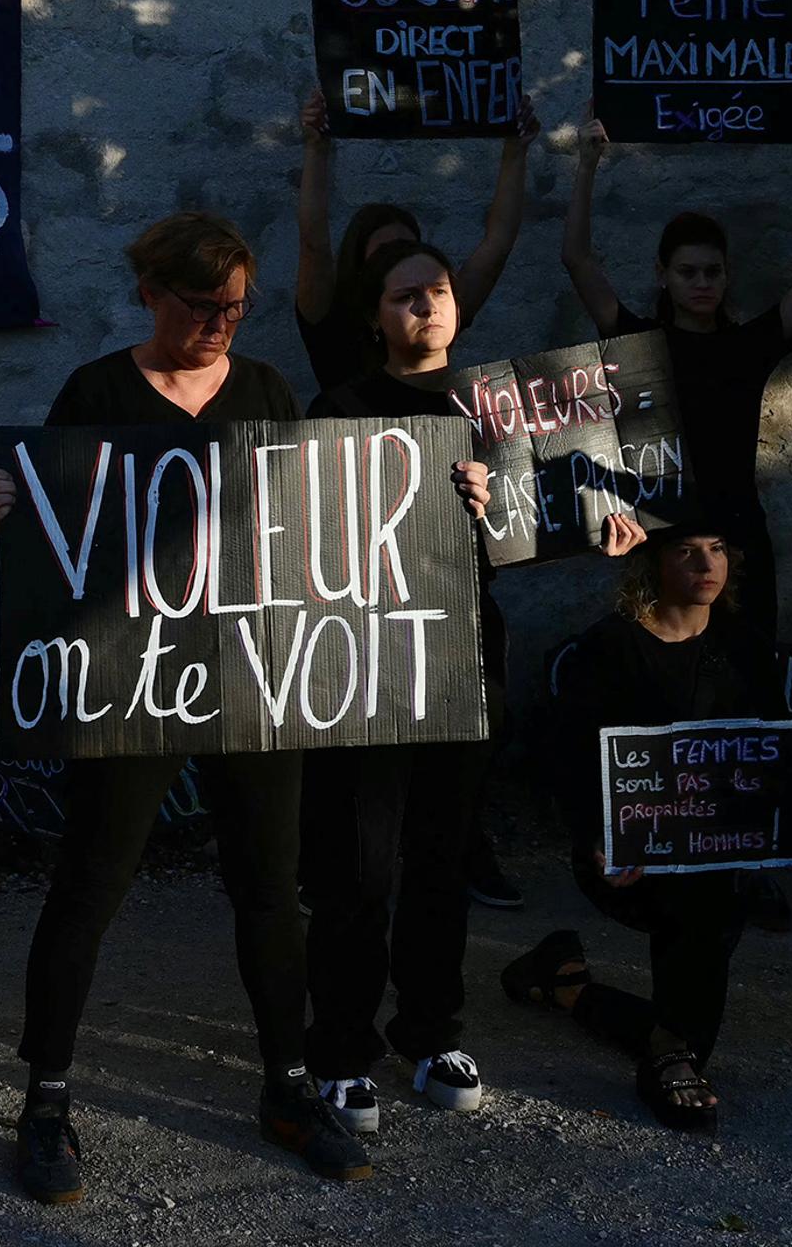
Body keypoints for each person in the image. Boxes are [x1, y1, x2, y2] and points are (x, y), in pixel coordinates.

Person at [0, 211, 369, 1200]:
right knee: (91, 884)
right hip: (132, 682)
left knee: (272, 886)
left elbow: (325, 521)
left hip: (250, 676)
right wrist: (6, 515)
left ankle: (288, 1085)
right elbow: (60, 541)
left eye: (235, 306)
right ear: (151, 293)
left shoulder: (269, 389)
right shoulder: (98, 392)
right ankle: (47, 1099)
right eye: (202, 307)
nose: (221, 324)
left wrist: (458, 497)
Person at [297, 237, 531, 1137]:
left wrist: (498, 507)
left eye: (436, 291)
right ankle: (342, 1051)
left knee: (442, 859)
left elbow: (536, 531)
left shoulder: (497, 412)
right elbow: (309, 543)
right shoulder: (341, 409)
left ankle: (431, 1034)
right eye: (404, 297)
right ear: (376, 316)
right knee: (359, 868)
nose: (425, 308)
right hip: (366, 669)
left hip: (466, 666)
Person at [501, 522, 792, 1132]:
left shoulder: (745, 647)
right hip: (627, 854)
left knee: (712, 887)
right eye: (687, 551)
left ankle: (589, 1001)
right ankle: (669, 1058)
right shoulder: (608, 649)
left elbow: (777, 751)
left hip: (718, 847)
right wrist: (597, 836)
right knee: (705, 898)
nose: (707, 563)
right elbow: (565, 761)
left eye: (719, 547)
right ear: (652, 565)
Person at [558, 118, 792, 654]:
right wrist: (586, 164)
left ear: (726, 275)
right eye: (687, 272)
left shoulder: (750, 345)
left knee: (749, 671)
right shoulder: (639, 343)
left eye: (711, 272)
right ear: (663, 274)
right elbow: (577, 260)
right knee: (665, 676)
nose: (700, 284)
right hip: (662, 536)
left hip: (737, 537)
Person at [287, 93, 530, 397]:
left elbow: (497, 243)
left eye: (407, 250)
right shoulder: (330, 318)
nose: (427, 307)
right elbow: (313, 243)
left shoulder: (435, 308)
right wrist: (316, 148)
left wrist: (515, 150)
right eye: (384, 256)